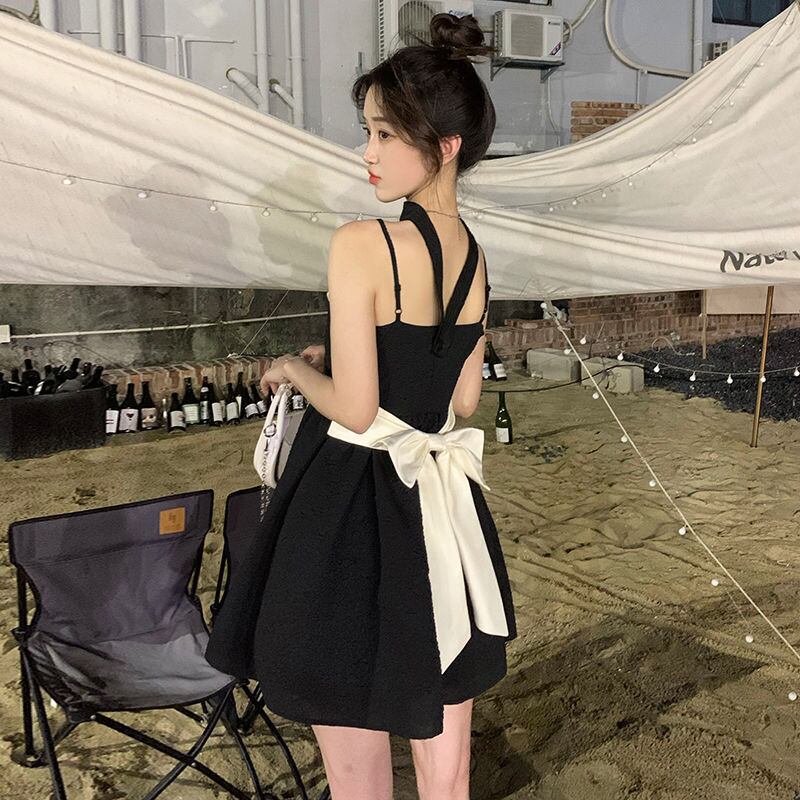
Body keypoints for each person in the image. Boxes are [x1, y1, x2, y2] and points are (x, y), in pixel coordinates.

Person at [205, 12, 517, 800]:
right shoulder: (476, 256)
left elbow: (354, 408)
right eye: (368, 132)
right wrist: (342, 359)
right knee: (447, 757)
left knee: (354, 758)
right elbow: (462, 399)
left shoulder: (362, 243)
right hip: (441, 513)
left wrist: (292, 368)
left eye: (384, 134)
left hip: (350, 511)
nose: (367, 153)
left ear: (444, 146)